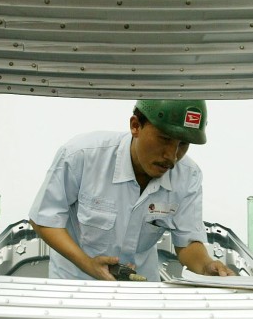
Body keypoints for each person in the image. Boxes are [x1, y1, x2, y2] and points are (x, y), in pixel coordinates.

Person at [29, 99, 235, 281]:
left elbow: (188, 243)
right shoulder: (81, 156)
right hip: (77, 283)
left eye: (183, 144)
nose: (172, 156)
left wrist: (206, 266)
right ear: (135, 126)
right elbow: (43, 219)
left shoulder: (188, 176)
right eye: (165, 139)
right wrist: (87, 263)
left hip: (141, 287)